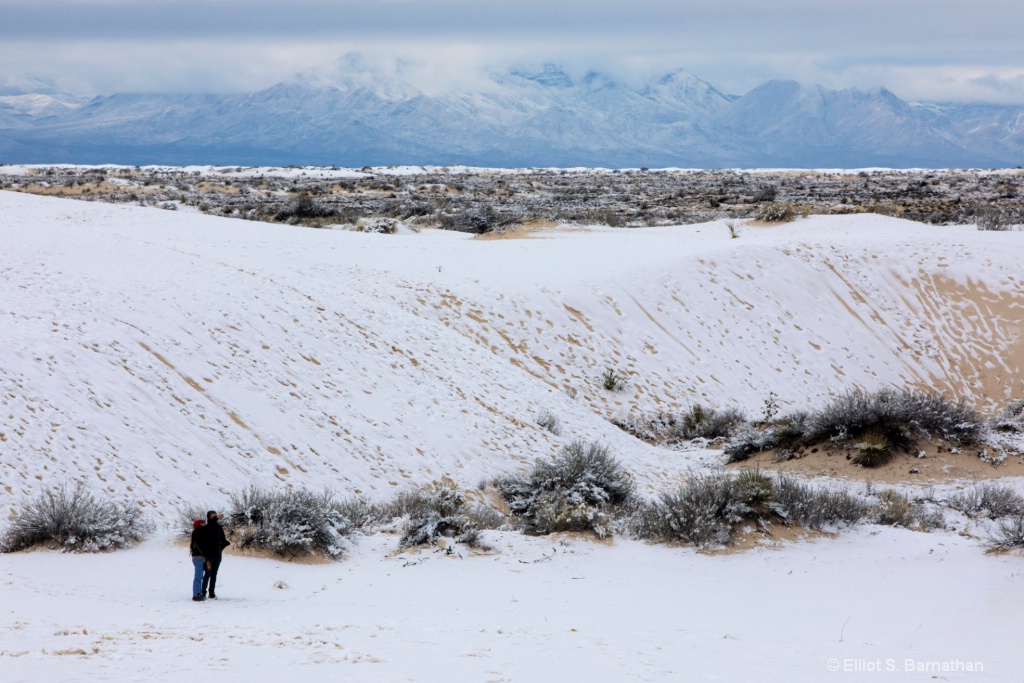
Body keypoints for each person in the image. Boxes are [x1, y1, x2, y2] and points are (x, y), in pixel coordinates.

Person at [201, 510, 230, 599]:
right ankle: (203, 592)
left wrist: (221, 547)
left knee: (214, 574)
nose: (214, 517)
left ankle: (211, 592)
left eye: (215, 515)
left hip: (217, 555)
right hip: (209, 555)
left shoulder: (218, 527)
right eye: (212, 516)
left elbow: (223, 540)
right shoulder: (207, 527)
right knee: (208, 573)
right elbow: (211, 524)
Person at [189, 519, 207, 602]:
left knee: (199, 576)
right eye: (202, 523)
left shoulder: (196, 532)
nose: (204, 524)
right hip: (199, 557)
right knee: (198, 577)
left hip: (197, 556)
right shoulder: (199, 532)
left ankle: (198, 593)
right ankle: (196, 594)